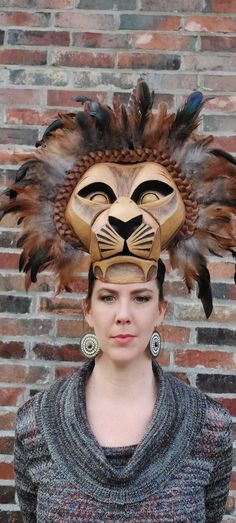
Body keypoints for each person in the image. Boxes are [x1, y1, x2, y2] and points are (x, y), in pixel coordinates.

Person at [1, 80, 235, 522]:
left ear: (161, 309)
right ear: (87, 309)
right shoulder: (36, 426)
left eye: (141, 297)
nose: (123, 315)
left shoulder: (210, 428)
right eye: (108, 296)